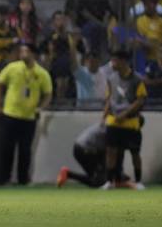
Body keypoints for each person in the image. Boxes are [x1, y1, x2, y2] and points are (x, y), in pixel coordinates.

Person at [0, 42, 53, 185]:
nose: (22, 54)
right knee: (7, 148)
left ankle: (23, 180)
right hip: (10, 114)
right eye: (21, 51)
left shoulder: (42, 73)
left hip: (28, 117)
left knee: (25, 150)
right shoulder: (12, 68)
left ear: (33, 54)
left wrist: (40, 107)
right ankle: (4, 178)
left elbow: (48, 94)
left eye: (26, 51)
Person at [102, 48, 147, 189]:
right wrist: (104, 115)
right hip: (113, 122)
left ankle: (138, 181)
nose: (112, 63)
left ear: (124, 61)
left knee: (135, 153)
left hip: (130, 123)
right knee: (111, 151)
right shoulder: (111, 78)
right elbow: (109, 98)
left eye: (115, 60)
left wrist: (126, 114)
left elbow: (140, 100)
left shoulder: (137, 79)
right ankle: (109, 181)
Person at [56, 123, 107, 188]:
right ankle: (69, 174)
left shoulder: (105, 125)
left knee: (100, 179)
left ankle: (68, 174)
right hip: (86, 150)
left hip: (80, 147)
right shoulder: (110, 129)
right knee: (100, 182)